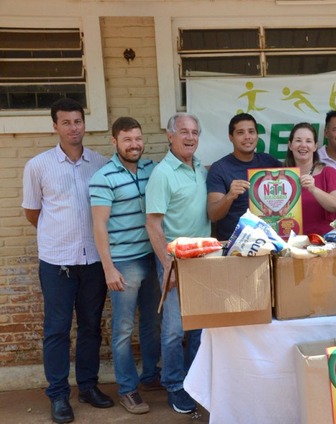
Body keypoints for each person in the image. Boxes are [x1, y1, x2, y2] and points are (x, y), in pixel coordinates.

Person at [22, 98, 114, 424]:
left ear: (84, 124)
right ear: (55, 126)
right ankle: (59, 394)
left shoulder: (101, 164)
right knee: (57, 330)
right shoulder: (38, 166)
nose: (73, 128)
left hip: (93, 261)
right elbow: (33, 212)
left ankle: (88, 385)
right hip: (57, 262)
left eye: (78, 121)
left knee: (91, 326)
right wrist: (60, 234)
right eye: (66, 122)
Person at [89, 117, 161, 414]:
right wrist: (108, 268)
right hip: (124, 261)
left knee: (151, 323)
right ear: (114, 142)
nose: (134, 145)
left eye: (138, 138)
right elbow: (99, 225)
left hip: (152, 256)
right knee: (123, 328)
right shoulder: (103, 177)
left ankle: (150, 376)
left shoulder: (151, 169)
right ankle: (128, 390)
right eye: (127, 139)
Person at [146, 112, 210, 414]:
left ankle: (194, 383)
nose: (190, 137)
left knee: (198, 328)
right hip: (173, 261)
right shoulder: (162, 173)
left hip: (202, 260)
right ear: (170, 136)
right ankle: (173, 385)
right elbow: (153, 225)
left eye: (195, 132)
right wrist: (167, 266)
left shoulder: (200, 167)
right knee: (173, 329)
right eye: (183, 131)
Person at [207, 113, 281, 240]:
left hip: (269, 240)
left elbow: (293, 181)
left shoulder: (269, 162)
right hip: (235, 245)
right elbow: (213, 215)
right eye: (240, 132)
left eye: (251, 132)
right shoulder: (219, 168)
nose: (247, 137)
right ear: (231, 137)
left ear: (257, 136)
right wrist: (229, 196)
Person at [283, 122, 336, 235]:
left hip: (325, 245)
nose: (303, 145)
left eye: (308, 141)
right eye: (298, 140)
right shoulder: (279, 176)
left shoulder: (328, 173)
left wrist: (314, 189)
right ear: (290, 145)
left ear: (315, 146)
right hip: (291, 245)